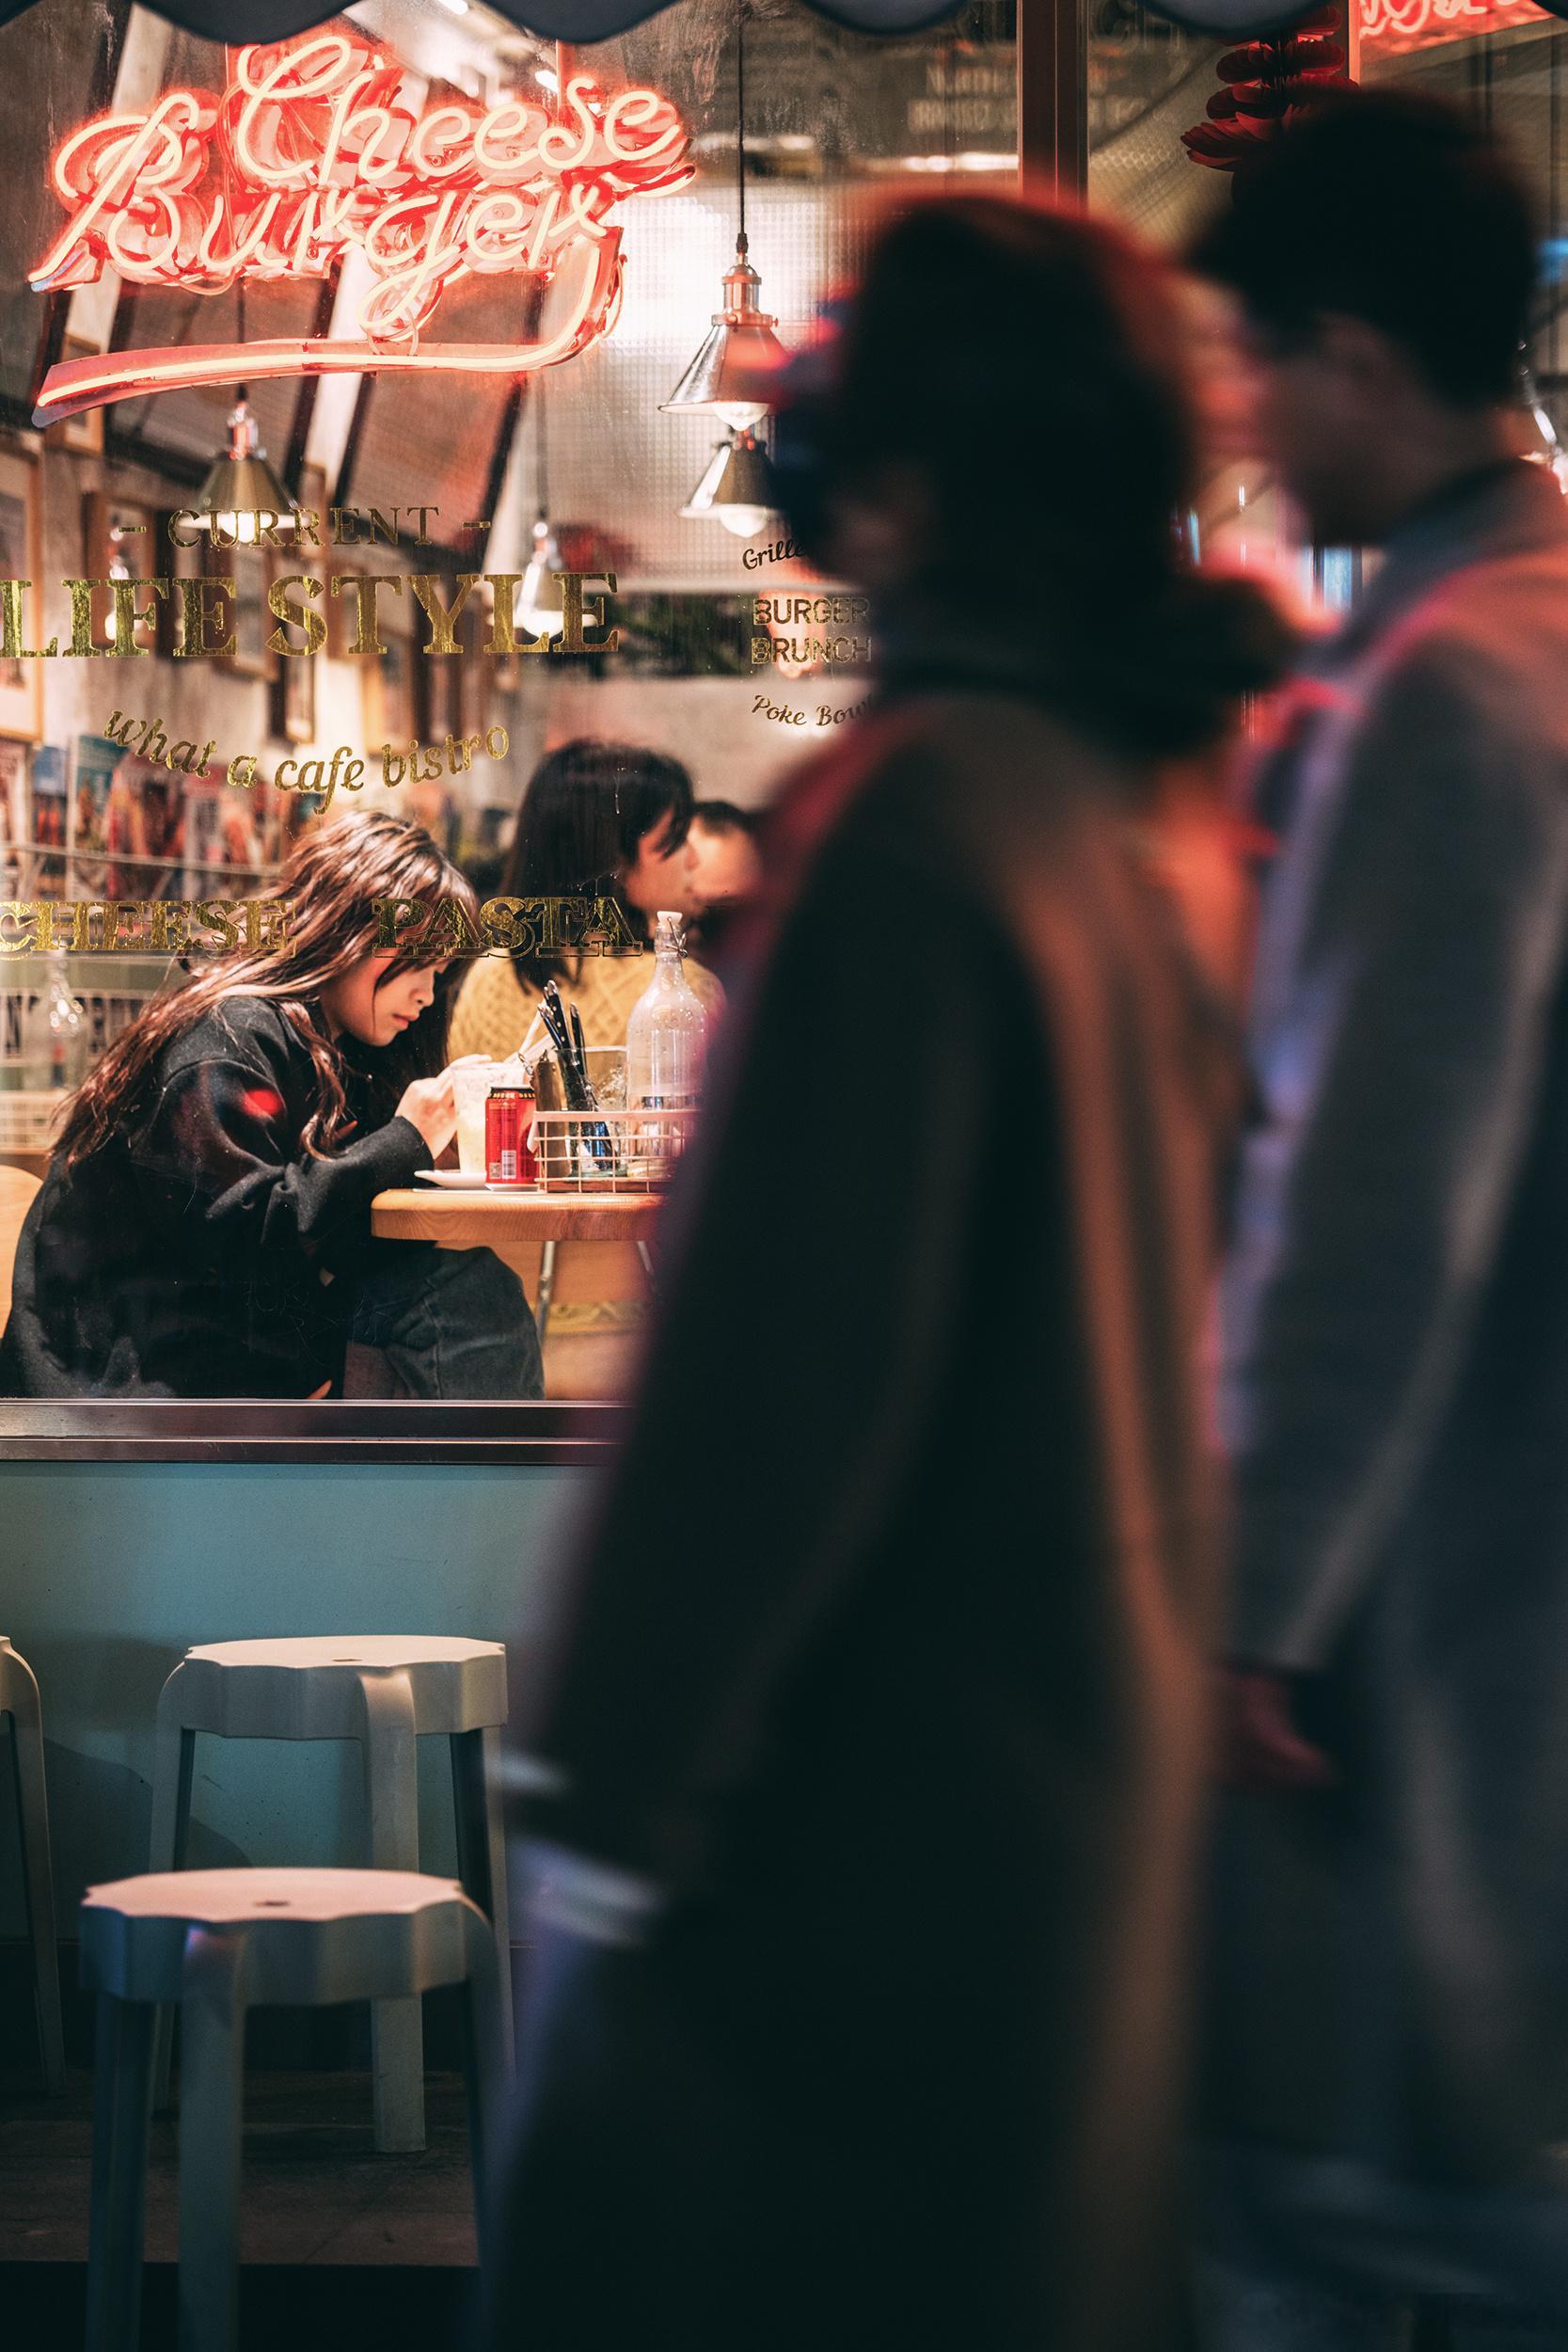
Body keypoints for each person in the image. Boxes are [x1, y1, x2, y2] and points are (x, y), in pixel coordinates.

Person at [478, 195, 1287, 2352]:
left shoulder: (919, 826)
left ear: (909, 476)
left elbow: (765, 1395)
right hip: (1070, 1810)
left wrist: (594, 1794)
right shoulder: (1157, 807)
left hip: (847, 1851)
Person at [1191, 91, 1568, 2345]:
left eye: (1252, 358)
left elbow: (1366, 1196)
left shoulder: (1435, 689)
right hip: (1503, 1562)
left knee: (1349, 2204)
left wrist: (1251, 1604)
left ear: (1346, 351)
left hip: (1428, 1595)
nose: (1240, 421)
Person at [0, 813, 542, 1399]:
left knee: (470, 1290)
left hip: (210, 1332)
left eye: (440, 974)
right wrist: (405, 1138)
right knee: (464, 1303)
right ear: (350, 926)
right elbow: (246, 1240)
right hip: (123, 1374)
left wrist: (427, 1156)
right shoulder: (229, 1033)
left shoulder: (333, 1047)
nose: (428, 994)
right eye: (419, 963)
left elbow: (335, 1243)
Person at [447, 739, 721, 1063]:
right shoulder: (683, 992)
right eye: (673, 840)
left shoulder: (488, 977)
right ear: (614, 857)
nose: (691, 859)